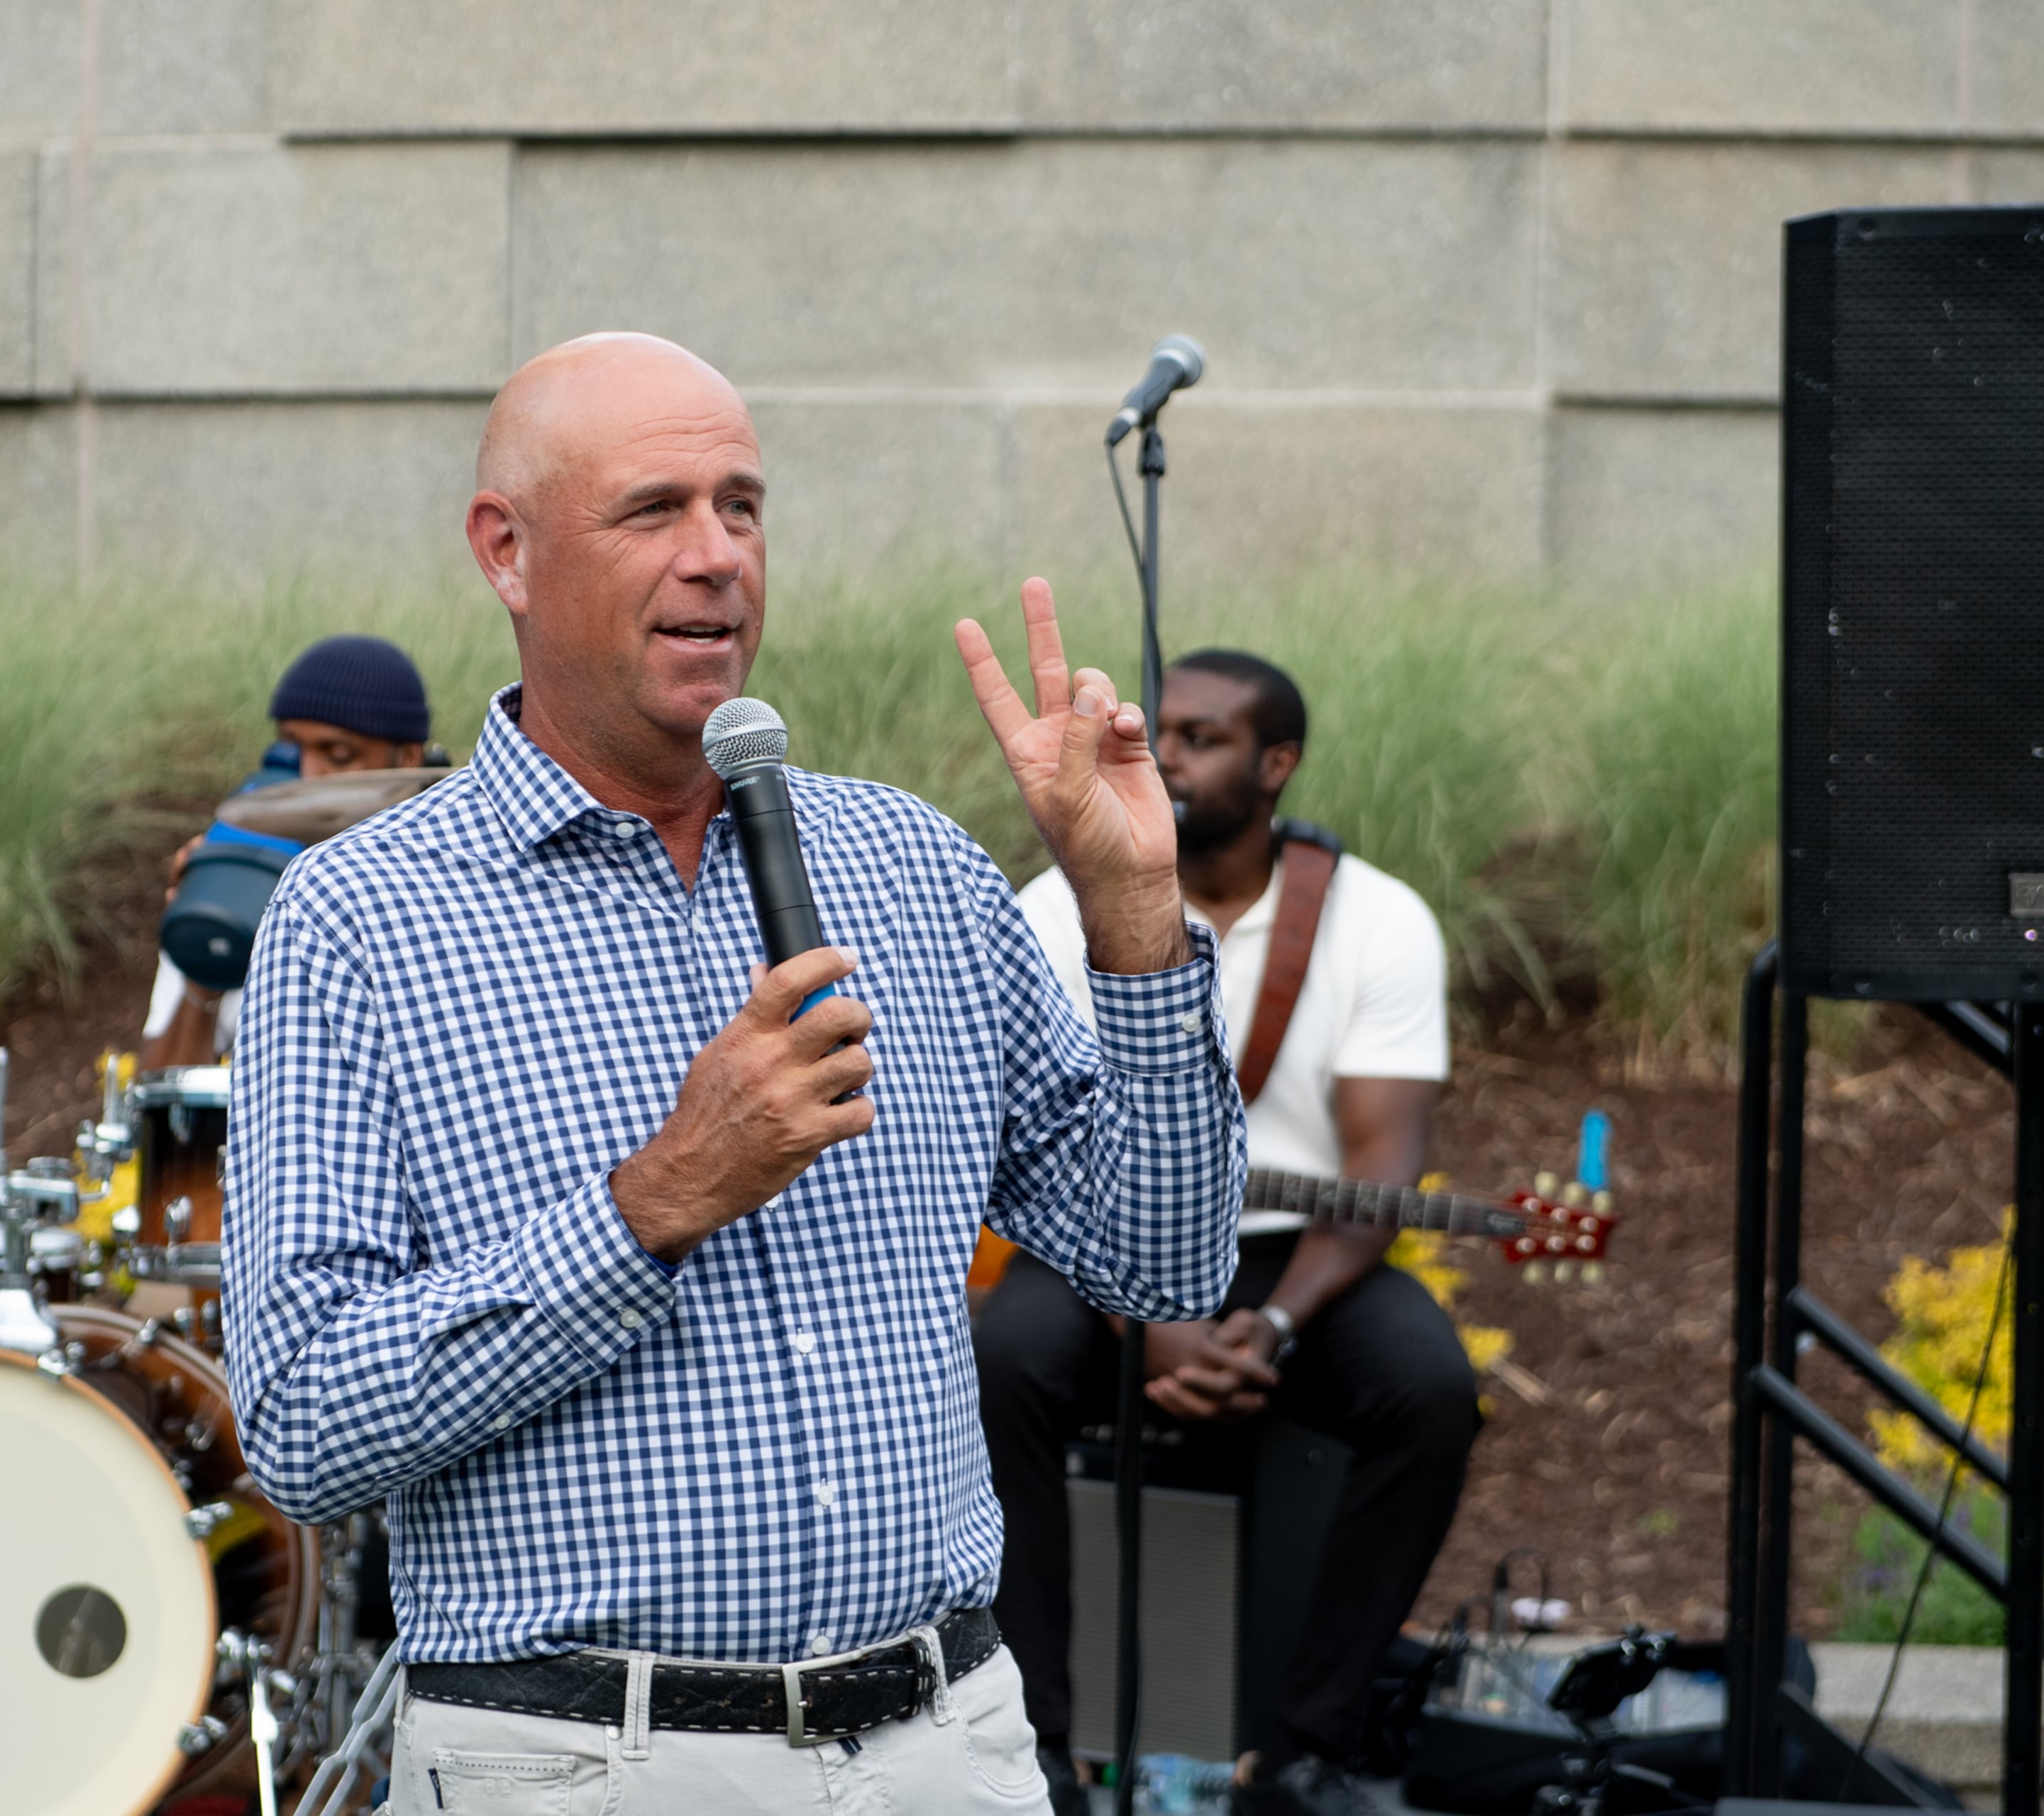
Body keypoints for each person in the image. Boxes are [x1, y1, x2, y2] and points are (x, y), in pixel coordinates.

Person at [217, 332, 1244, 1813]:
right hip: (584, 1759)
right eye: (656, 511)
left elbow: (1165, 1260)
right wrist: (655, 1200)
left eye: (743, 506)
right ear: (507, 553)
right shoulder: (363, 921)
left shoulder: (914, 869)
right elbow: (308, 1421)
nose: (718, 559)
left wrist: (1138, 924)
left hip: (944, 1744)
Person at [977, 650, 1474, 1816]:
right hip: (1096, 1235)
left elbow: (1383, 1171)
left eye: (1202, 737)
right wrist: (1150, 1324)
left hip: (1298, 1255)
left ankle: (1306, 1752)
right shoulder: (1054, 904)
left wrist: (1278, 1324)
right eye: (1165, 733)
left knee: (1429, 1392)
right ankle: (1036, 1746)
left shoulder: (1379, 919)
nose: (1168, 756)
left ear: (1278, 763)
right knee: (1001, 1367)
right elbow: (1026, 1141)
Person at [138, 634, 436, 1070]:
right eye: (294, 750)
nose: (309, 776)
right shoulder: (243, 875)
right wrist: (204, 965)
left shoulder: (451, 880)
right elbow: (164, 1104)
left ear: (408, 759)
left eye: (337, 755)